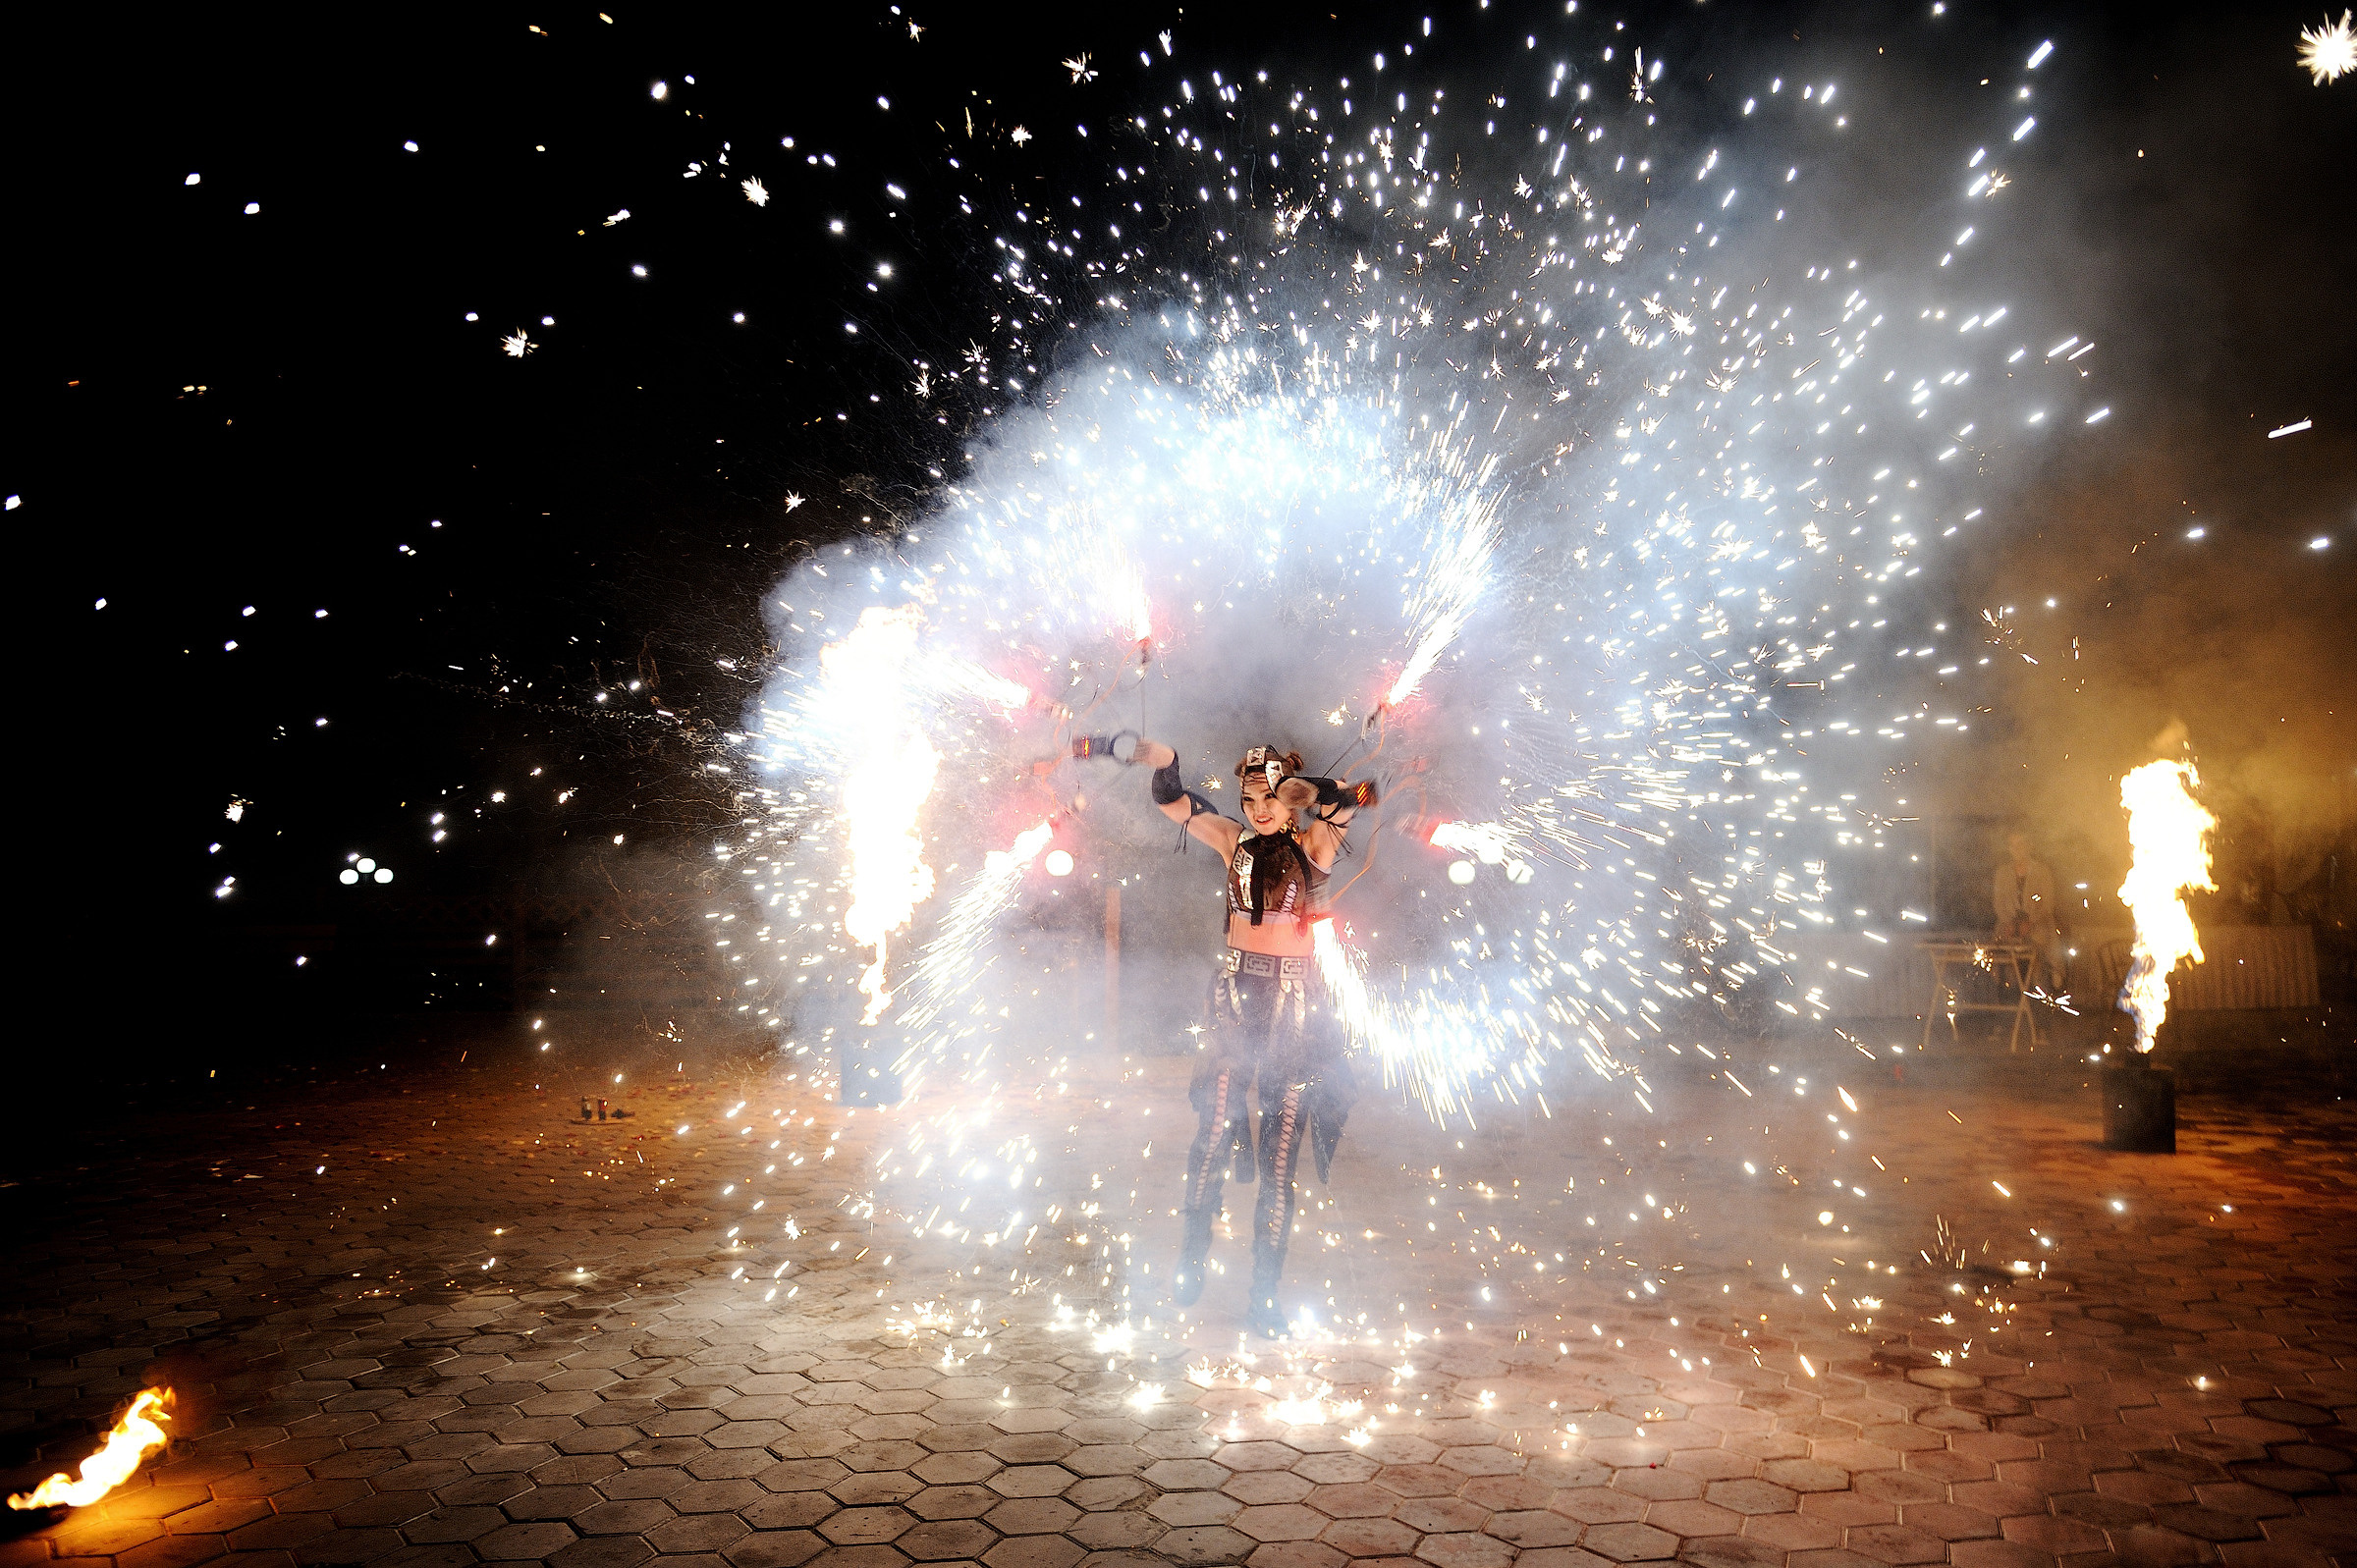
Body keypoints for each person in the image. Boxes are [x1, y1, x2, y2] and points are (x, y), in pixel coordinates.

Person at [1075, 733, 1373, 1337]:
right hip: (1237, 999)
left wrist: (1312, 791)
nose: (1260, 809)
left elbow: (1361, 796)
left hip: (1294, 1009)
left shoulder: (1315, 842)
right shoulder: (1231, 840)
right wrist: (1162, 760)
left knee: (1279, 1162)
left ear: (1288, 803)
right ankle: (1192, 1256)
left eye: (1272, 798)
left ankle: (1264, 1296)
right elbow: (1175, 804)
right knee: (1213, 1130)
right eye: (1250, 797)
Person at [1992, 830, 2065, 989]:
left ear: (2029, 846)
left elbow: (2048, 903)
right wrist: (2008, 923)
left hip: (2038, 927)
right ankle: (2006, 988)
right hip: (2008, 928)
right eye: (2012, 845)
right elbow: (1998, 903)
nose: (2016, 849)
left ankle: (2040, 988)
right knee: (1999, 951)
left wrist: (2031, 923)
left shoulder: (2042, 872)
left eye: (2020, 844)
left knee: (2040, 951)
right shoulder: (2003, 873)